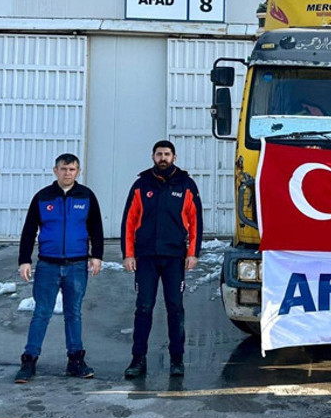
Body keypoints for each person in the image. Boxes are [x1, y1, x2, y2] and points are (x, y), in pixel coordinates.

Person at [14, 153, 103, 384]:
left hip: (76, 265)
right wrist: (25, 260)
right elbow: (29, 231)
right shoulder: (43, 198)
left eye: (72, 169)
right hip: (48, 266)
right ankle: (29, 360)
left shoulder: (86, 196)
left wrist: (97, 256)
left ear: (78, 172)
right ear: (55, 170)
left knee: (73, 313)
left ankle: (76, 360)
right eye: (63, 169)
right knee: (41, 313)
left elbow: (96, 228)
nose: (67, 173)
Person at [121, 140, 203, 379]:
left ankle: (177, 359)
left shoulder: (186, 185)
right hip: (146, 257)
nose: (163, 158)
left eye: (167, 154)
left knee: (175, 308)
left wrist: (193, 253)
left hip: (174, 258)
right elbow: (129, 221)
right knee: (144, 308)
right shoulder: (141, 185)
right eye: (159, 154)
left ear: (174, 157)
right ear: (153, 157)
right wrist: (128, 254)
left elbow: (196, 220)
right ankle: (138, 360)